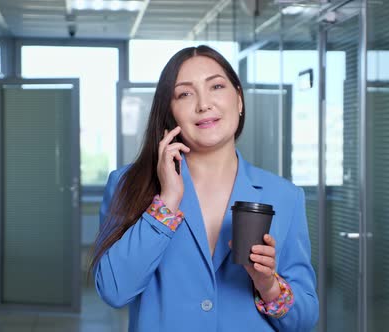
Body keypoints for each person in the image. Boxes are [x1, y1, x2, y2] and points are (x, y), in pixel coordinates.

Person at [89, 45, 318, 331]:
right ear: (170, 112)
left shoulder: (285, 196)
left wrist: (268, 285)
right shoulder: (129, 185)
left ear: (239, 99)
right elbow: (113, 290)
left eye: (217, 87)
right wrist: (166, 203)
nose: (203, 104)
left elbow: (305, 320)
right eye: (185, 93)